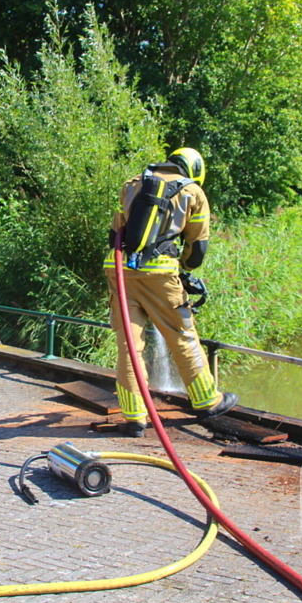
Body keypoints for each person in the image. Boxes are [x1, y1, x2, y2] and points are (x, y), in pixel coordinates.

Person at [104, 147, 237, 437]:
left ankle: (134, 417)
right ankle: (207, 400)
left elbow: (116, 231)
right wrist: (185, 268)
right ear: (195, 170)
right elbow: (197, 248)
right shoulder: (193, 193)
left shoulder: (132, 183)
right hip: (160, 273)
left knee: (129, 345)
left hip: (118, 271)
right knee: (182, 334)